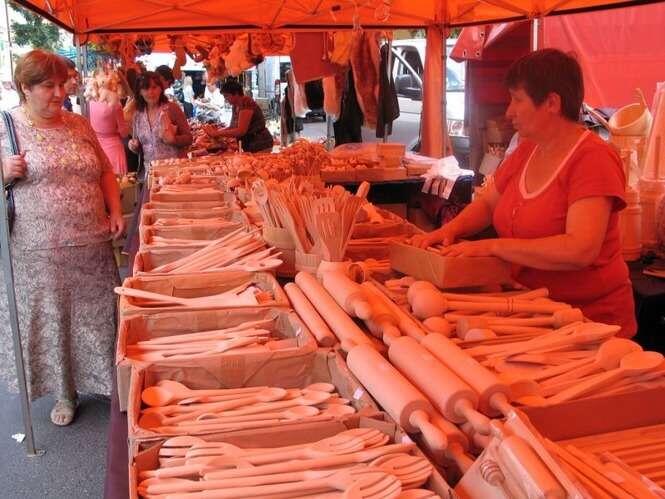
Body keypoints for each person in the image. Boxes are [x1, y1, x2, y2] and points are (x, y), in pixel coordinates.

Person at [411, 49, 636, 338]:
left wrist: (494, 246)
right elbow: (489, 204)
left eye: (517, 99)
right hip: (532, 311)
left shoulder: (593, 159)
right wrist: (449, 231)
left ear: (552, 103)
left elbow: (580, 249)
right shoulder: (528, 150)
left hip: (590, 323)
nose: (509, 112)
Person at [0, 49, 125, 426]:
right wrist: (4, 172)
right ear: (25, 87)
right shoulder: (7, 127)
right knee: (57, 320)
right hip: (40, 250)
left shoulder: (78, 123)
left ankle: (110, 383)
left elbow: (104, 171)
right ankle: (65, 391)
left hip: (92, 242)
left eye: (62, 84)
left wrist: (115, 210)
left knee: (98, 314)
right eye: (48, 86)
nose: (59, 93)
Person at [127, 71, 192, 169]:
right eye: (146, 88)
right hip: (150, 171)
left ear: (161, 89)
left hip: (175, 170)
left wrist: (174, 140)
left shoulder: (172, 109)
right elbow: (139, 146)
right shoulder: (138, 115)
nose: (151, 92)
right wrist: (133, 146)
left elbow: (189, 138)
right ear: (140, 92)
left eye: (154, 87)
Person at [203, 79, 273, 153]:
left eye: (226, 96)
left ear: (236, 94)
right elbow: (232, 127)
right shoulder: (235, 106)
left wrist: (217, 133)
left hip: (260, 143)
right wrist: (216, 132)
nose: (225, 99)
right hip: (249, 144)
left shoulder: (246, 103)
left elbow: (241, 131)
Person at [87, 69, 129, 175]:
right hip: (113, 148)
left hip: (96, 147)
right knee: (118, 181)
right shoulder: (116, 104)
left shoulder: (90, 101)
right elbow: (124, 132)